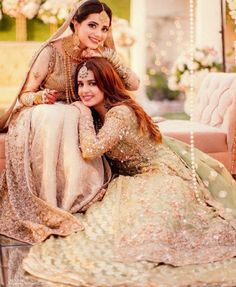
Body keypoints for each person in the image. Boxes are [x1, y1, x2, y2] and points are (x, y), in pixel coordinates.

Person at [23, 58, 236, 287]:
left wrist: (82, 113)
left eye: (92, 83)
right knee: (106, 227)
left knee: (152, 229)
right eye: (81, 84)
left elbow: (91, 150)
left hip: (160, 173)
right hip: (132, 178)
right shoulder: (101, 114)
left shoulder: (119, 113)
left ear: (106, 83)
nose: (85, 90)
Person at [0, 0, 140, 244]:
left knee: (74, 113)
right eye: (92, 25)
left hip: (79, 117)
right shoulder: (50, 52)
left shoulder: (101, 53)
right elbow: (24, 96)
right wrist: (41, 97)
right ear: (75, 24)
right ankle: (50, 201)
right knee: (62, 114)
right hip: (43, 113)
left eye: (105, 29)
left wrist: (108, 55)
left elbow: (134, 85)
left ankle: (80, 196)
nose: (99, 34)